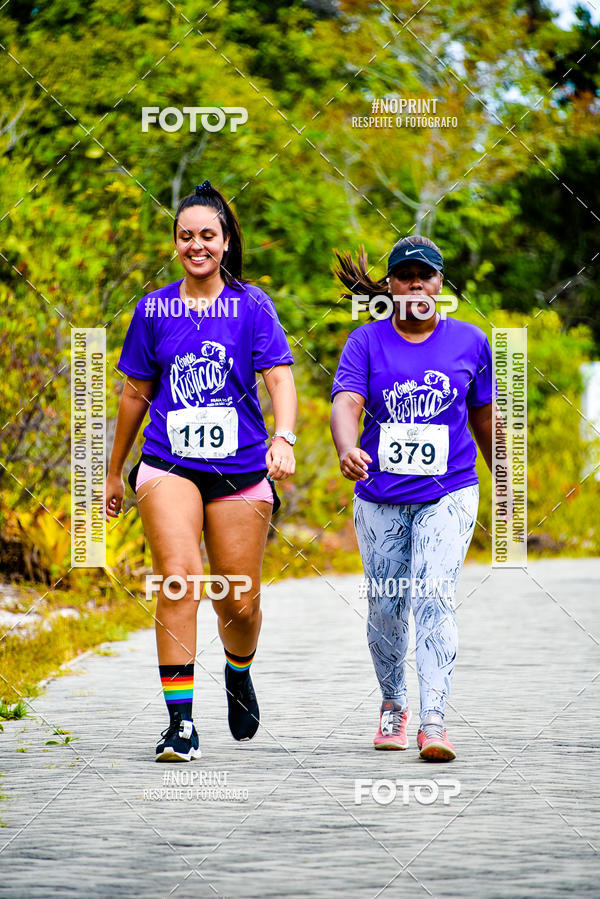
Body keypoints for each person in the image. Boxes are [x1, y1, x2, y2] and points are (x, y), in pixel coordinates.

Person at [105, 181, 297, 762]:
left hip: (240, 470)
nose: (196, 245)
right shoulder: (153, 308)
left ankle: (237, 673)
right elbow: (136, 395)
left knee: (237, 601)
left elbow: (280, 377)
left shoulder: (252, 305)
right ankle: (180, 723)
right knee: (179, 579)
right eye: (186, 236)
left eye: (207, 235)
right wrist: (114, 471)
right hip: (169, 463)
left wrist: (283, 438)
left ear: (226, 241)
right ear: (175, 243)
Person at [330, 236, 496, 762]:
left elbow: (485, 419)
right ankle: (393, 705)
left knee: (433, 593)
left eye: (425, 275)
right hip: (380, 493)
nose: (415, 284)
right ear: (392, 286)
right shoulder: (366, 341)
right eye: (404, 276)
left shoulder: (470, 341)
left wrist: (508, 482)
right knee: (386, 604)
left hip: (449, 489)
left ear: (441, 283)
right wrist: (346, 446)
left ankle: (433, 719)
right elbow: (346, 401)